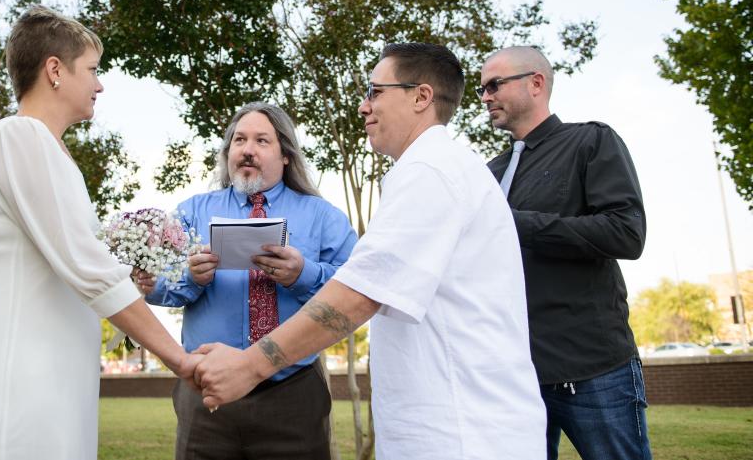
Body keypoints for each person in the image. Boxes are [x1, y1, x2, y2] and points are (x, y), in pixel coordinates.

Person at [189, 44, 546, 460]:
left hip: (463, 433)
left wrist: (250, 366)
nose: (364, 106)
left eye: (376, 92)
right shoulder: (430, 169)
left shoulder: (430, 172)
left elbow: (359, 294)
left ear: (421, 97)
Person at [0, 6, 192, 460]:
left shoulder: (50, 150)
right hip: (22, 380)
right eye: (93, 70)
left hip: (58, 374)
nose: (99, 85)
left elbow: (72, 263)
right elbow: (87, 267)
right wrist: (179, 358)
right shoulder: (17, 137)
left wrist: (123, 274)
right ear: (55, 70)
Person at [134, 101, 358, 460]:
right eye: (239, 140)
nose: (247, 150)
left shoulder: (323, 216)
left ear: (286, 155)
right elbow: (159, 286)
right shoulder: (193, 211)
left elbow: (355, 288)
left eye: (261, 141)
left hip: (293, 394)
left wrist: (304, 274)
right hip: (207, 393)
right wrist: (191, 277)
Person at [478, 46, 651, 460]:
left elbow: (627, 233)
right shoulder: (489, 173)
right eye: (482, 88)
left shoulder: (590, 141)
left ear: (536, 83)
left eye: (494, 85)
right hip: (512, 376)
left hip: (592, 368)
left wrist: (516, 223)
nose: (485, 97)